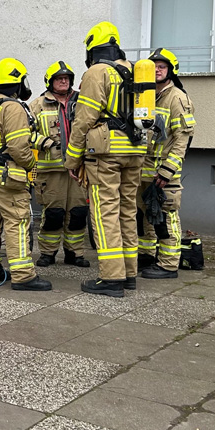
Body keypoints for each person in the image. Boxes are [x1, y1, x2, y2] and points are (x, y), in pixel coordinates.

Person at [64, 21, 147, 298]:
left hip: (106, 153)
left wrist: (72, 159)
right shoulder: (133, 69)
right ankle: (129, 273)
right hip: (135, 150)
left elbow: (84, 119)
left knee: (105, 213)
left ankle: (111, 278)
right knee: (127, 211)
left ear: (92, 49)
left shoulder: (97, 72)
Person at [0, 58, 53, 291]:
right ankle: (23, 275)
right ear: (18, 82)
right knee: (17, 220)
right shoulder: (13, 107)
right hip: (6, 177)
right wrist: (31, 165)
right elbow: (18, 147)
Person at [138, 47, 196, 279]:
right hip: (143, 170)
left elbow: (183, 138)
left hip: (164, 172)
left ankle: (169, 265)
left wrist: (168, 169)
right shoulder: (146, 96)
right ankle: (146, 255)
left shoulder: (178, 98)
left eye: (162, 67)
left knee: (165, 218)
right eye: (153, 67)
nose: (157, 70)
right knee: (144, 216)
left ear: (171, 70)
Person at [29, 61, 91, 269]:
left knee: (78, 213)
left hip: (79, 169)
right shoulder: (37, 105)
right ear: (50, 82)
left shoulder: (82, 102)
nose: (63, 81)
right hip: (51, 170)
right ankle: (48, 253)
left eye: (66, 78)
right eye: (59, 78)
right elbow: (25, 133)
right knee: (53, 214)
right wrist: (44, 143)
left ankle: (75, 253)